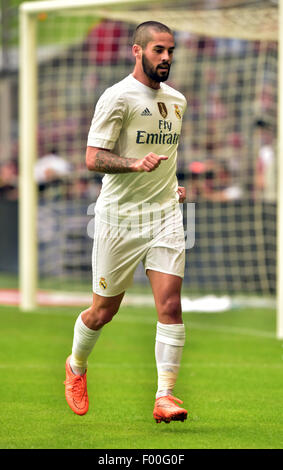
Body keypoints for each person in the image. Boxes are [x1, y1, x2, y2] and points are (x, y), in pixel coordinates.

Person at [64, 21, 188, 424]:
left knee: (170, 305)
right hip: (118, 219)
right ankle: (77, 365)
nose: (166, 57)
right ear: (137, 51)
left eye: (170, 50)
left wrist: (172, 185)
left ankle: (165, 396)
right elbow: (93, 157)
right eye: (158, 50)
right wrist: (134, 165)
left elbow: (164, 155)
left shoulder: (177, 101)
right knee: (102, 311)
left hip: (164, 214)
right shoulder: (117, 97)